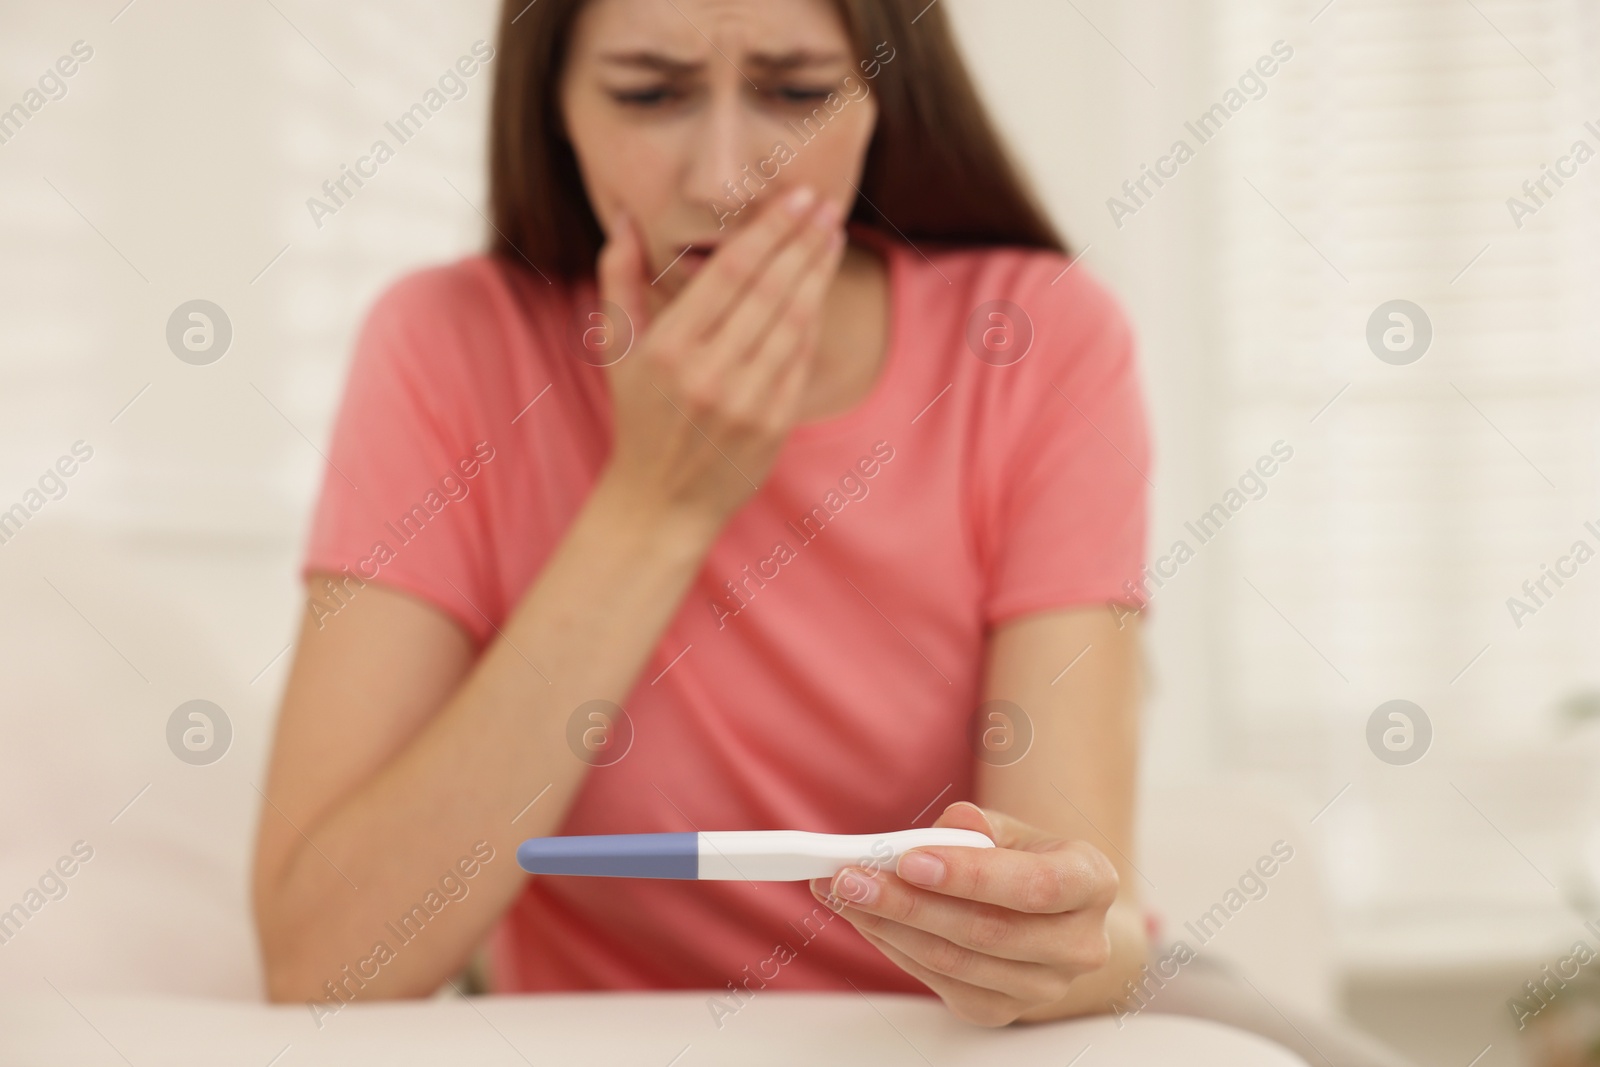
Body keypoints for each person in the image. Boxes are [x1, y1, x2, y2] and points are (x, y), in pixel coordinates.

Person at [251, 1, 1411, 1061]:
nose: (724, 178)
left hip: (997, 1030)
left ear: (883, 97)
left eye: (798, 90)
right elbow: (325, 959)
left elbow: (1092, 924)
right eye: (647, 92)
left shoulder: (1037, 337)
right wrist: (659, 502)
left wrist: (1048, 942)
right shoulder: (447, 345)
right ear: (549, 102)